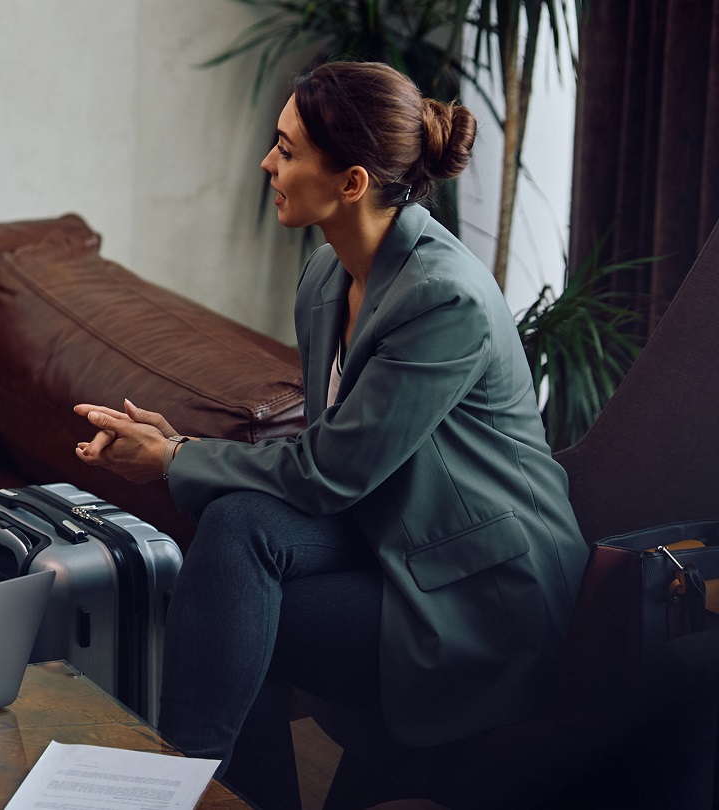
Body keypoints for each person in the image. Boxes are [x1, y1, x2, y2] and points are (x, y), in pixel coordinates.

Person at [73, 62, 589, 809]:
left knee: (227, 617)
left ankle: (182, 788)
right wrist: (178, 447)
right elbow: (338, 455)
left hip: (485, 585)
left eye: (286, 150)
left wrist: (176, 460)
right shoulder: (325, 278)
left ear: (350, 182)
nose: (266, 163)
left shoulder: (444, 298)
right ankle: (200, 790)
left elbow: (331, 472)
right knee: (237, 529)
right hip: (392, 527)